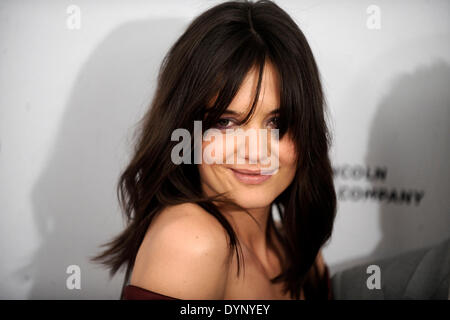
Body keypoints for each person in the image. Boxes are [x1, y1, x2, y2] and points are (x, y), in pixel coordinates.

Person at [92, 0, 336, 300]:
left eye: (277, 122)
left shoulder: (297, 249)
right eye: (225, 122)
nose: (256, 153)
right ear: (185, 130)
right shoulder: (191, 242)